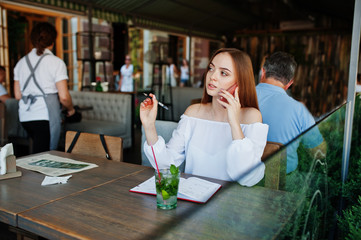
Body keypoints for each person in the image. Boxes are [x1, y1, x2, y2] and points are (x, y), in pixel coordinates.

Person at [141, 48, 268, 187]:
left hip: (230, 203)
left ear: (240, 82)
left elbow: (248, 179)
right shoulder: (193, 113)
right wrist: (149, 126)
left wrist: (234, 124)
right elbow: (165, 165)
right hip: (193, 200)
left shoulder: (251, 116)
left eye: (224, 73)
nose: (212, 76)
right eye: (211, 68)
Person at [256, 51, 325, 174]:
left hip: (237, 179)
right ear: (290, 83)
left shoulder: (239, 97)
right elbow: (319, 152)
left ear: (263, 72)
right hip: (283, 182)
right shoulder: (299, 110)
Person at [14, 22, 75, 153]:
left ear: (33, 40)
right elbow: (64, 97)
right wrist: (71, 109)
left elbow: (18, 95)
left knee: (38, 151)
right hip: (45, 115)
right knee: (45, 155)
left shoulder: (20, 63)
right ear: (52, 42)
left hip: (25, 116)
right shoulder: (56, 63)